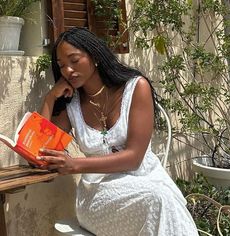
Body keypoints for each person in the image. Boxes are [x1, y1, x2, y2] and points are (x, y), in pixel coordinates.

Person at [38, 27, 199, 236]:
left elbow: (133, 158)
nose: (68, 70)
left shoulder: (135, 88)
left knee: (159, 199)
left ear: (94, 56)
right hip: (99, 197)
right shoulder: (72, 105)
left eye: (74, 60)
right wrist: (50, 98)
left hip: (148, 183)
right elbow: (40, 149)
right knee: (159, 201)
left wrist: (74, 165)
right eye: (62, 66)